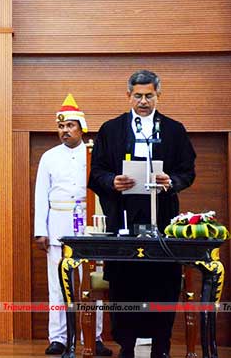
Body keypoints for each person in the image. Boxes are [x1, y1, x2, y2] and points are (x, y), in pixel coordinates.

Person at [88, 70, 196, 358]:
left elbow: (188, 171)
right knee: (125, 285)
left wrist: (171, 181)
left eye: (149, 95)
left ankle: (161, 345)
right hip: (124, 220)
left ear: (158, 96)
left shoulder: (174, 130)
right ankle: (127, 345)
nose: (144, 101)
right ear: (128, 96)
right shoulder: (111, 130)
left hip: (162, 223)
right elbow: (96, 172)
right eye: (138, 95)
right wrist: (112, 181)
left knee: (163, 284)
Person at [33, 94, 112, 356]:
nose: (65, 131)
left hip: (90, 227)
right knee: (58, 286)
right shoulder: (49, 157)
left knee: (92, 284)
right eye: (61, 126)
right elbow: (41, 194)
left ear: (81, 127)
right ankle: (58, 338)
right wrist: (40, 231)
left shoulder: (94, 154)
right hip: (57, 226)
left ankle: (94, 337)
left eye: (70, 126)